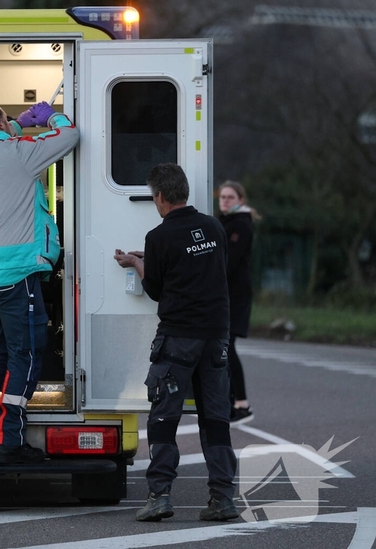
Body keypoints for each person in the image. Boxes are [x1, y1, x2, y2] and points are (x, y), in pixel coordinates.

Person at [113, 163, 239, 523]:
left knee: (165, 417)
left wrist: (136, 263)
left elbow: (155, 288)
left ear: (161, 197)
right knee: (215, 419)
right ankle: (222, 499)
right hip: (216, 337)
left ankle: (159, 497)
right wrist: (149, 259)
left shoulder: (159, 237)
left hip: (178, 338)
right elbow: (209, 270)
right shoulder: (214, 226)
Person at [0, 99, 79, 465]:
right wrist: (48, 117)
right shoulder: (17, 152)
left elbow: (4, 161)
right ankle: (11, 440)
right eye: (8, 121)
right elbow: (69, 135)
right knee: (24, 355)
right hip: (14, 272)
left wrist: (17, 129)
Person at [218, 180, 258, 424]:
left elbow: (230, 262)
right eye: (222, 196)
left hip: (236, 294)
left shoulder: (242, 224)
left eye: (230, 197)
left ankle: (241, 404)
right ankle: (233, 401)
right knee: (224, 347)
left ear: (241, 200)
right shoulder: (225, 222)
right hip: (227, 293)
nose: (225, 201)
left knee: (228, 346)